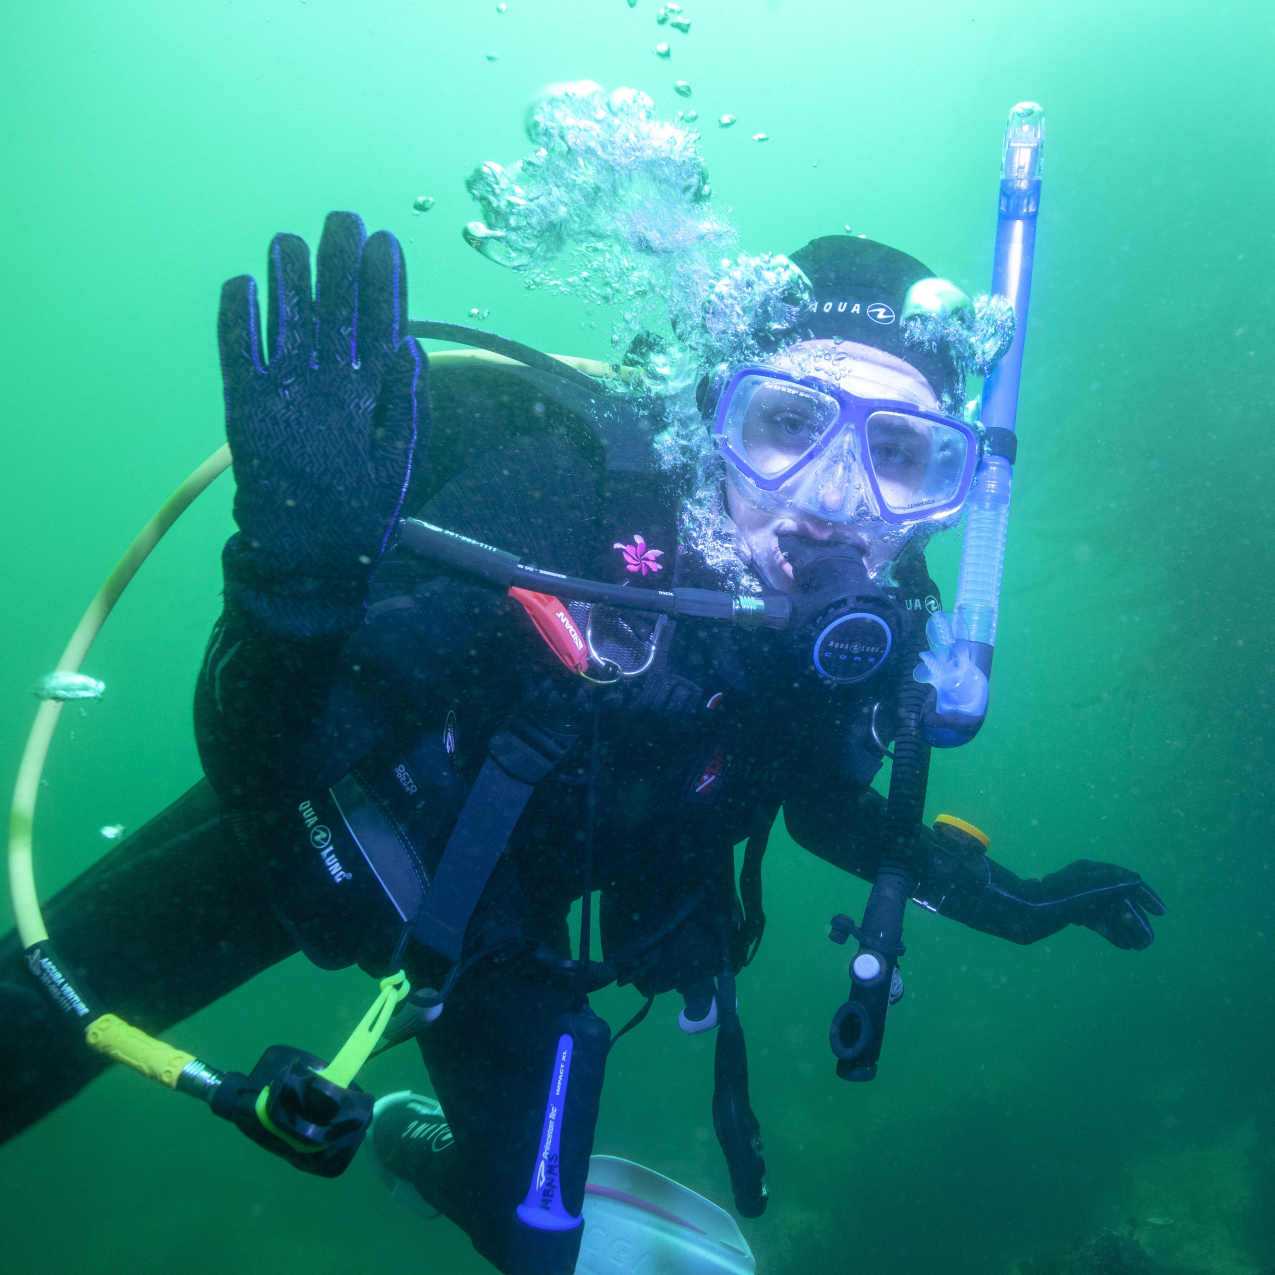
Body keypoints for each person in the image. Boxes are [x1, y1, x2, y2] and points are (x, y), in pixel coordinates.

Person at [0, 212, 1165, 1275]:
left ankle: (419, 1146)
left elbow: (819, 803)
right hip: (340, 832)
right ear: (717, 414)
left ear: (949, 490)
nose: (830, 501)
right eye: (792, 427)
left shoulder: (852, 628)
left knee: (537, 1239)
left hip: (503, 934)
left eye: (903, 455)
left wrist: (1004, 899)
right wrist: (290, 591)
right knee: (17, 1035)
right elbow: (265, 761)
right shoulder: (563, 504)